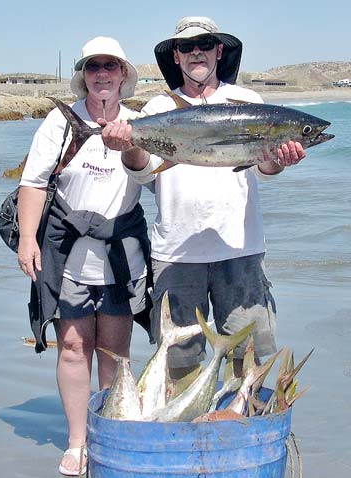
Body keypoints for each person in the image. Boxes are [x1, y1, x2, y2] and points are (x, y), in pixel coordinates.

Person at [100, 17, 306, 388]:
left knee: (250, 359)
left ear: (219, 51)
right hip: (176, 254)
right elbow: (143, 171)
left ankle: (241, 431)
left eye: (205, 44)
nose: (197, 51)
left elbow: (263, 167)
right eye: (186, 46)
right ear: (176, 56)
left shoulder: (248, 103)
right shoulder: (157, 108)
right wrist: (127, 144)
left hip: (240, 251)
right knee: (178, 362)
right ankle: (188, 435)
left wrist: (282, 156)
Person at [17, 36, 151, 476]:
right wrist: (27, 240)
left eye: (111, 66)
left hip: (121, 250)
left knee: (114, 348)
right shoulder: (60, 122)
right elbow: (34, 183)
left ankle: (108, 431)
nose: (102, 74)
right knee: (73, 346)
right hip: (67, 249)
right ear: (84, 76)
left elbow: (157, 179)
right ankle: (78, 441)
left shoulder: (140, 121)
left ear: (123, 75)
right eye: (94, 67)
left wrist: (128, 144)